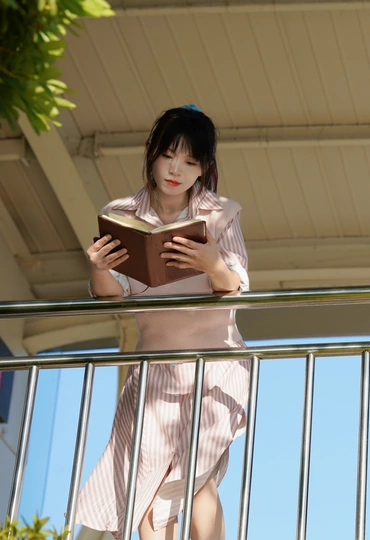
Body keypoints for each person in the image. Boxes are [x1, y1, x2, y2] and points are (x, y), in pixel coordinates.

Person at [76, 105, 250, 540]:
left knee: (195, 478)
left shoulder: (221, 213)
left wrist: (213, 264)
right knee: (145, 487)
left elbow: (236, 287)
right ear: (152, 152)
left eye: (190, 161)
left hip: (214, 366)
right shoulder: (121, 213)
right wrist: (98, 268)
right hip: (154, 370)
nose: (176, 170)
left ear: (204, 167)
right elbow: (110, 296)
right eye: (169, 156)